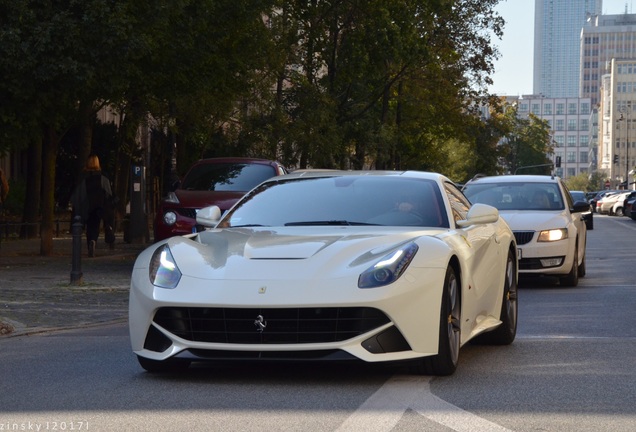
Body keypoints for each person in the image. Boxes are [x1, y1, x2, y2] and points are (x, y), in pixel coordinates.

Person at [70, 155, 115, 257]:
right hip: (99, 206)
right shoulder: (102, 177)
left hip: (87, 206)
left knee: (90, 226)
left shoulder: (83, 177)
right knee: (96, 224)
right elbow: (109, 193)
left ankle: (90, 241)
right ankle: (94, 240)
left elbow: (78, 193)